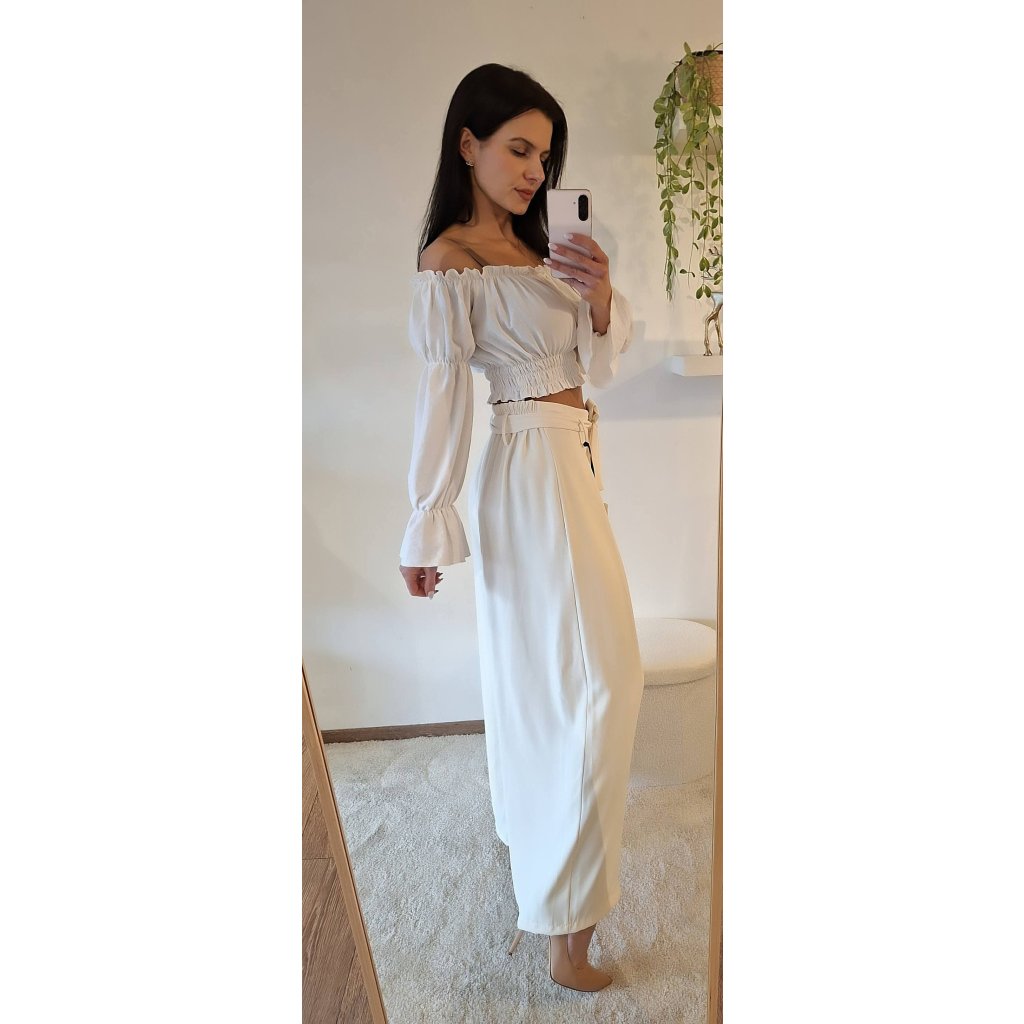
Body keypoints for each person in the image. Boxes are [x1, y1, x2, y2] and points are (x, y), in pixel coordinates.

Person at [397, 63, 644, 994]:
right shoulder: (452, 261)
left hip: (572, 461)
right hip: (533, 468)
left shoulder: (544, 251)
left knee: (573, 681)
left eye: (545, 155)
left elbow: (596, 365)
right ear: (468, 143)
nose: (536, 171)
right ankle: (564, 930)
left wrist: (600, 296)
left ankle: (555, 888)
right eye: (518, 149)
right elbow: (442, 399)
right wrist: (427, 523)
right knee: (594, 685)